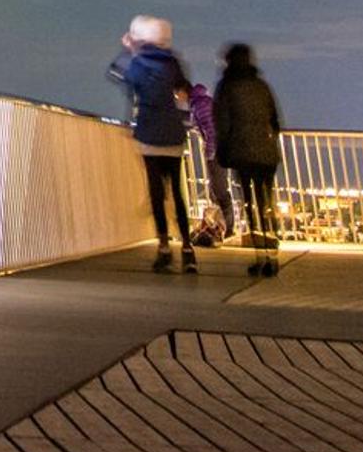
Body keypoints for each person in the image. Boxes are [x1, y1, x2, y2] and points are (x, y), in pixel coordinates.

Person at [108, 16, 198, 273]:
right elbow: (184, 90)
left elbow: (116, 73)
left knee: (157, 193)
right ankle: (189, 250)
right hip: (172, 132)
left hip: (148, 133)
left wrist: (128, 50)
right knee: (178, 195)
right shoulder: (173, 64)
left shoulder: (138, 63)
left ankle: (164, 249)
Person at [211, 42, 286, 276]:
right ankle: (272, 257)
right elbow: (275, 120)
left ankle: (260, 256)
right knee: (266, 204)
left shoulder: (226, 87)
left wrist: (222, 151)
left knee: (250, 205)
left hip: (242, 153)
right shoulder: (261, 85)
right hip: (267, 154)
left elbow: (221, 124)